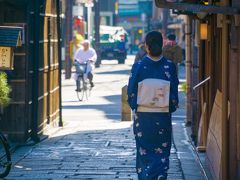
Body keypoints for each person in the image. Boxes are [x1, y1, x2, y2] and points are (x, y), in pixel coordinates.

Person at [127, 31, 179, 180]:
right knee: (162, 150)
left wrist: (138, 104)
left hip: (143, 118)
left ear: (147, 47)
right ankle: (160, 175)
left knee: (144, 150)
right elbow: (174, 96)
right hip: (162, 116)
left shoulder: (138, 66)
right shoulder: (169, 66)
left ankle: (146, 176)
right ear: (161, 45)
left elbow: (131, 93)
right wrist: (167, 106)